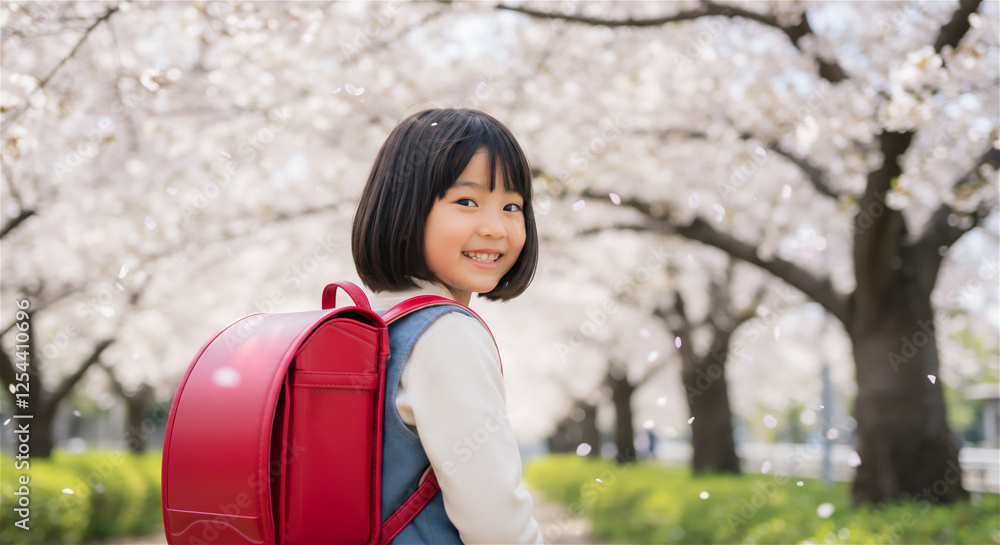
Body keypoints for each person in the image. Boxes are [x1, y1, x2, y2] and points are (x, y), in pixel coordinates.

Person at [352, 108, 544, 544]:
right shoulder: (446, 334)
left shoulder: (372, 323)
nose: (495, 228)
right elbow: (497, 525)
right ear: (405, 210)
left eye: (512, 206)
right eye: (466, 202)